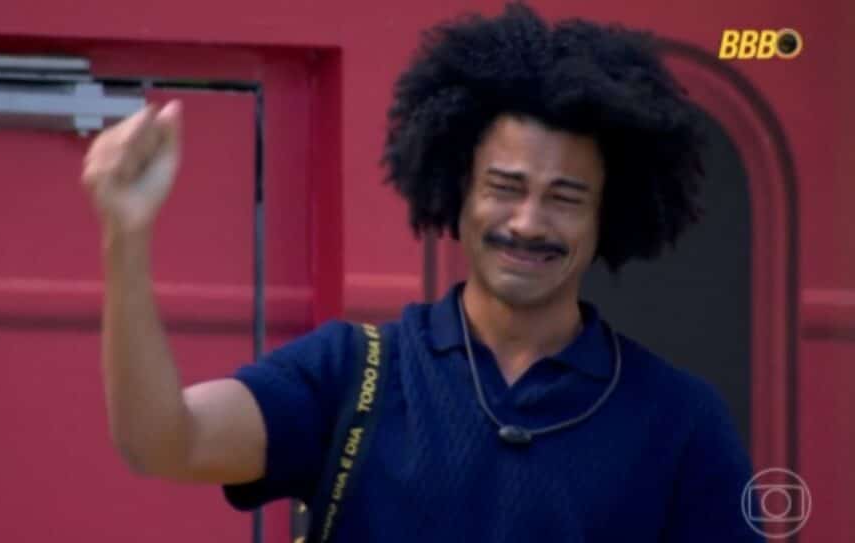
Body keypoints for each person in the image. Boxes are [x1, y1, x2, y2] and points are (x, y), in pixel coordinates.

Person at [81, 3, 763, 541]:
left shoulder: (682, 421)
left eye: (564, 198)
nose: (528, 221)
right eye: (504, 187)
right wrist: (126, 234)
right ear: (457, 190)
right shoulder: (352, 374)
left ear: (604, 218)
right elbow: (164, 441)